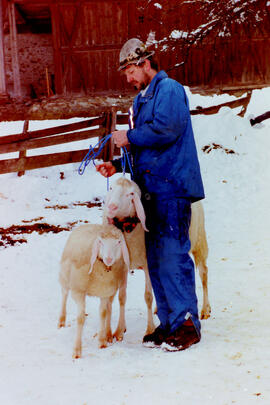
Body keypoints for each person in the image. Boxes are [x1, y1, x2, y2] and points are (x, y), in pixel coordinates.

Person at [96, 38, 205, 351]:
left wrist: (127, 135)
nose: (128, 79)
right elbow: (145, 147)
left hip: (171, 188)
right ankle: (169, 323)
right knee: (155, 260)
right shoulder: (143, 99)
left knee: (172, 254)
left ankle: (186, 324)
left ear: (145, 64)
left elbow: (166, 130)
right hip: (151, 193)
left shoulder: (169, 90)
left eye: (131, 71)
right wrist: (116, 165)